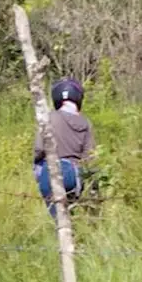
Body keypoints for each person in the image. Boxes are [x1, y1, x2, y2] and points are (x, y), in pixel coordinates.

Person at [33, 78, 96, 218]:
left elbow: (39, 149)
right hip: (76, 174)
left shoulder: (48, 118)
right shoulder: (86, 123)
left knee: (59, 221)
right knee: (72, 218)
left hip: (51, 172)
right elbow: (90, 157)